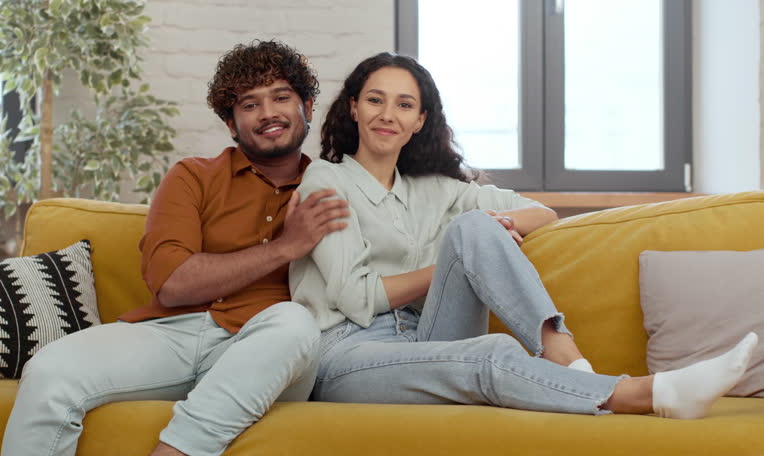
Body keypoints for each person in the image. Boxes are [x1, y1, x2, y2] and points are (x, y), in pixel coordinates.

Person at [289, 52, 758, 419]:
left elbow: (543, 213)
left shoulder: (435, 191)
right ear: (353, 108)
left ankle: (567, 358)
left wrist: (493, 233)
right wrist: (446, 269)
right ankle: (646, 393)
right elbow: (355, 296)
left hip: (425, 336)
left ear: (420, 121)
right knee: (492, 351)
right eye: (375, 99)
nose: (387, 114)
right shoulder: (326, 181)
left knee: (475, 225)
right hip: (350, 353)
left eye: (404, 104)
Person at [1, 40, 351, 456]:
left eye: (281, 97)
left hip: (266, 353)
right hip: (170, 336)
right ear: (231, 124)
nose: (269, 113)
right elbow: (171, 283)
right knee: (49, 370)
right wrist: (284, 248)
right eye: (250, 105)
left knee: (295, 323)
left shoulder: (335, 190)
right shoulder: (192, 177)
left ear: (307, 108)